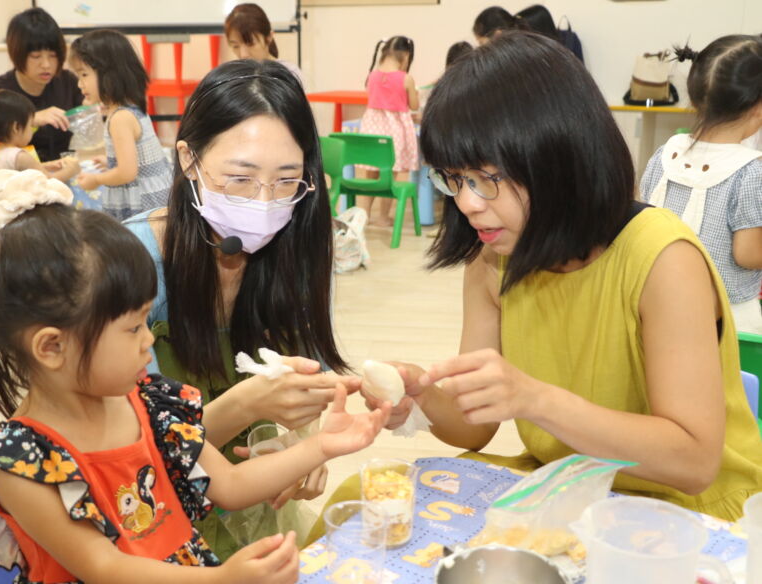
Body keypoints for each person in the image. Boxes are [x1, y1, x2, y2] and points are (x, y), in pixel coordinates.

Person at [313, 32, 762, 536]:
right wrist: (421, 396)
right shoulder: (491, 261)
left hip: (684, 510)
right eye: (454, 179)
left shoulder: (662, 260)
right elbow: (474, 428)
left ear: (558, 157)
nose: (466, 203)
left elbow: (692, 463)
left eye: (485, 178)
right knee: (359, 501)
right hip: (568, 486)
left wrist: (534, 399)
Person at [0, 169, 389, 584]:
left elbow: (231, 486)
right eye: (133, 328)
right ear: (51, 347)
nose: (150, 341)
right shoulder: (20, 464)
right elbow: (108, 570)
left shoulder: (146, 401)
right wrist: (225, 582)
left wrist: (321, 446)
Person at [123, 59, 356, 558]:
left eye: (287, 181)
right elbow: (134, 449)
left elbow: (307, 371)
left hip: (256, 500)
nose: (265, 203)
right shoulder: (133, 262)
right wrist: (249, 404)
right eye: (240, 178)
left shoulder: (300, 251)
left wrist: (300, 441)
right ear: (188, 160)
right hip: (148, 515)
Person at [641, 35, 762, 333]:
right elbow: (747, 254)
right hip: (726, 314)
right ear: (758, 108)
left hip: (658, 300)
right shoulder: (750, 171)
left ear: (695, 98)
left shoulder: (665, 153)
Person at [69, 30, 173, 221]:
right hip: (154, 196)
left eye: (84, 75)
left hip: (142, 205)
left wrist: (96, 180)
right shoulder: (129, 106)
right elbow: (135, 156)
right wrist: (110, 160)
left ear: (110, 75)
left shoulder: (120, 118)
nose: (79, 84)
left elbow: (127, 172)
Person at [0, 7, 83, 162]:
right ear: (16, 54)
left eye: (53, 56)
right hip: (18, 177)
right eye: (36, 56)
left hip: (62, 172)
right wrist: (31, 119)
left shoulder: (69, 82)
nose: (46, 64)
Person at [357, 36, 419, 228]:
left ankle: (363, 216)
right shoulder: (406, 79)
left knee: (370, 174)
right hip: (395, 132)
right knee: (392, 174)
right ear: (405, 56)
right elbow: (414, 105)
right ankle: (383, 217)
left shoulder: (372, 76)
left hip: (371, 130)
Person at [0, 89, 80, 181]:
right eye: (31, 125)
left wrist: (49, 165)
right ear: (16, 127)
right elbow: (47, 180)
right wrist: (70, 171)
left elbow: (25, 170)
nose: (32, 131)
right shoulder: (19, 156)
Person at [224, 3, 304, 86]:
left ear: (269, 37)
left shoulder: (289, 73)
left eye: (251, 44)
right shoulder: (233, 78)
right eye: (235, 46)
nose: (243, 55)